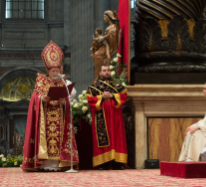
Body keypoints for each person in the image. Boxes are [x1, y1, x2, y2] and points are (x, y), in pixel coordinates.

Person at [22, 41, 79, 171]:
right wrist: (42, 99)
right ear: (48, 70)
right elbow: (34, 99)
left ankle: (59, 165)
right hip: (45, 119)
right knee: (47, 141)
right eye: (53, 70)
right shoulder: (41, 82)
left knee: (58, 141)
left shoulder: (63, 82)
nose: (55, 73)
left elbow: (67, 98)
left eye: (57, 70)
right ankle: (44, 165)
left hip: (60, 118)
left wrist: (65, 102)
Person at [87, 64, 128, 169]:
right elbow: (90, 99)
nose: (106, 72)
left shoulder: (117, 85)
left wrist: (113, 96)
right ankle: (103, 163)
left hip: (115, 115)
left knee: (116, 136)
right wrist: (101, 97)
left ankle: (117, 162)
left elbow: (124, 95)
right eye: (104, 70)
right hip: (101, 114)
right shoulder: (95, 86)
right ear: (100, 73)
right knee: (103, 137)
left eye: (108, 70)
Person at [92, 10, 120, 82]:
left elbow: (113, 36)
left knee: (97, 55)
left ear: (109, 17)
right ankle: (98, 76)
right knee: (95, 55)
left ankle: (99, 77)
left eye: (105, 17)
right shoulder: (110, 27)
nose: (104, 18)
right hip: (106, 45)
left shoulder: (114, 26)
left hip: (109, 47)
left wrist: (103, 37)